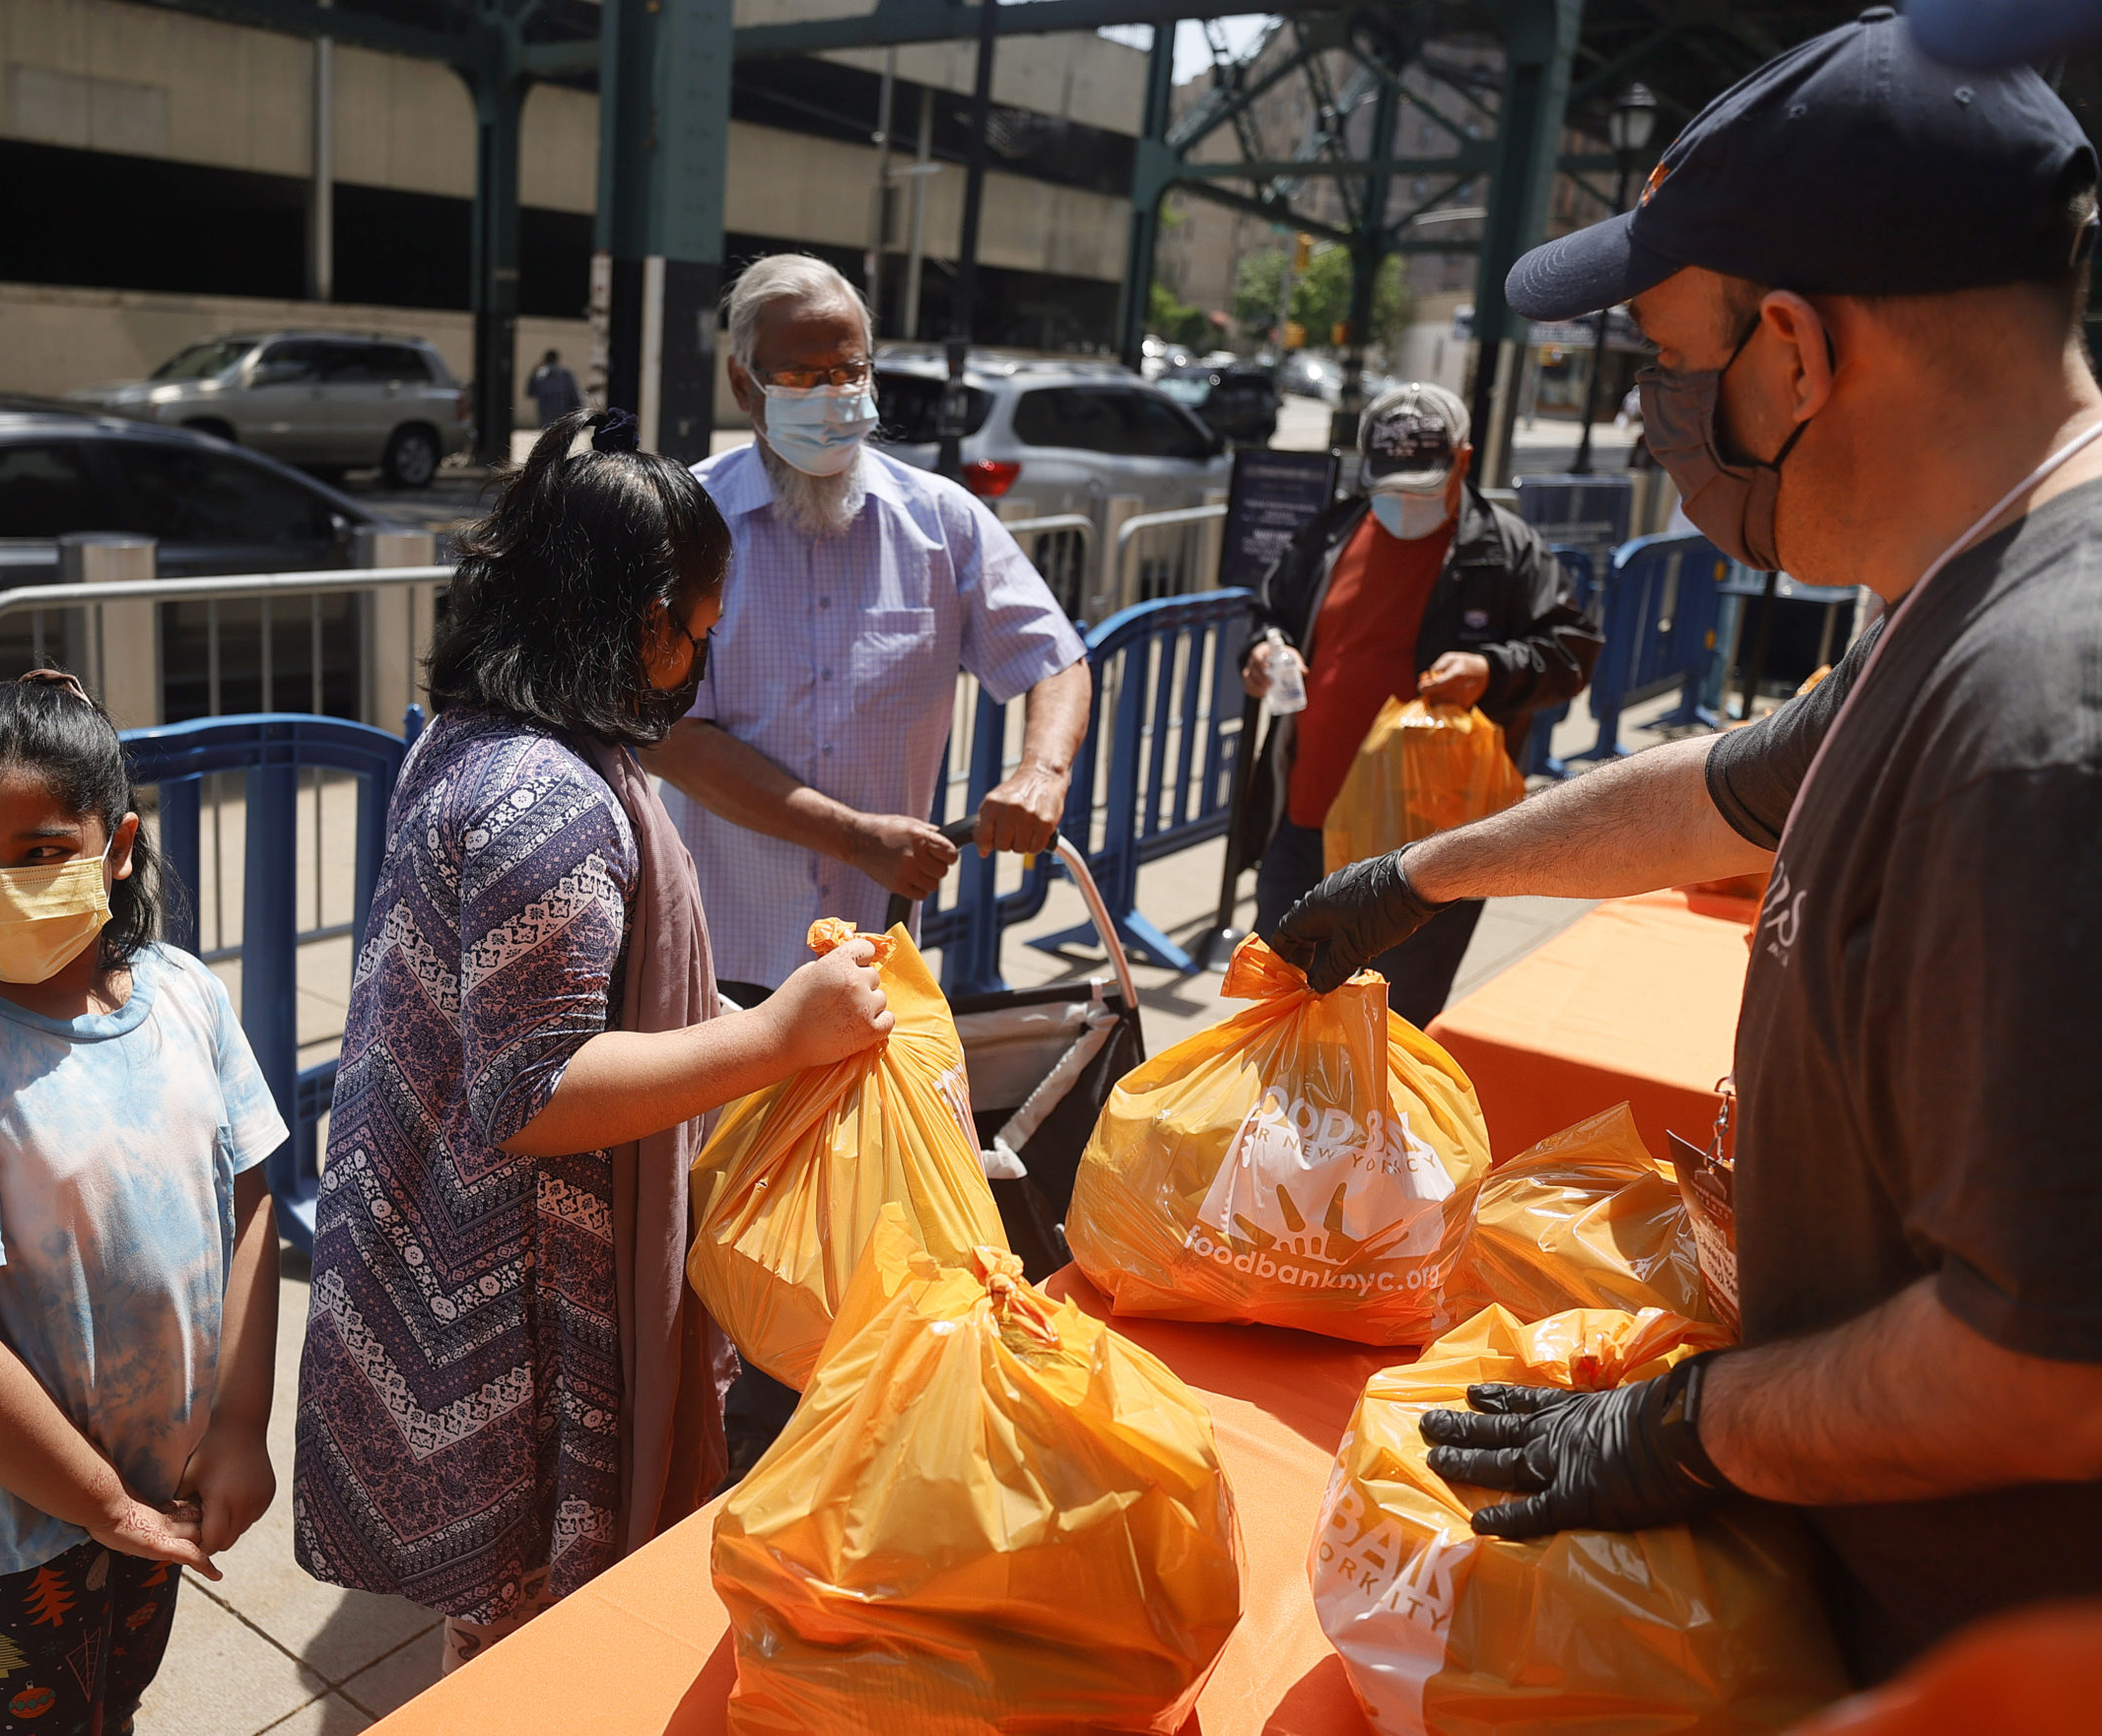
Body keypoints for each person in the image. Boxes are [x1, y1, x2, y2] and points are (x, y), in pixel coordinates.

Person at [1272, 12, 2102, 1683]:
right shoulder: (1958, 609)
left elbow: (2050, 1365)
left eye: (1666, 353)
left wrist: (1689, 1424)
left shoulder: (2038, 735)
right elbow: (1724, 787)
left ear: (1793, 353)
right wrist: (1426, 873)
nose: (1656, 411)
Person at [292, 406, 894, 1669]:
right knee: (530, 1645)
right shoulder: (546, 802)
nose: (693, 669)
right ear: (630, 621)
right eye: (691, 636)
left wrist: (742, 1026)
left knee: (501, 1628)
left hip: (449, 1254)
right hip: (515, 1301)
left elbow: (576, 1007)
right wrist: (780, 1036)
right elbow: (539, 1088)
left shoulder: (480, 739)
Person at [0, 671, 284, 1736]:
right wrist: (105, 1504)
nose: (5, 883)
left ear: (115, 846)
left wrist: (240, 1423)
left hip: (154, 1489)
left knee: (112, 1705)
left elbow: (251, 1199)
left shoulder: (184, 994)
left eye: (41, 851)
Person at [644, 253, 1093, 1003]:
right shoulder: (688, 521)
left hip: (878, 951)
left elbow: (1055, 658)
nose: (830, 397)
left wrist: (1041, 772)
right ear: (741, 383)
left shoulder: (940, 521)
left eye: (849, 372)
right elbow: (672, 737)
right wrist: (853, 838)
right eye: (798, 377)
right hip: (721, 948)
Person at [1235, 381, 1597, 1026]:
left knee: (1387, 1031)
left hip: (1423, 850)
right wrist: (1265, 650)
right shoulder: (1330, 534)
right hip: (1305, 824)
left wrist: (1491, 669)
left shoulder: (1504, 549)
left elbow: (1571, 651)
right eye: (1390, 480)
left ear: (1462, 461)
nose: (1405, 500)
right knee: (1278, 1013)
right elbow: (1270, 613)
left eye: (1424, 481)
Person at [528, 348, 583, 428]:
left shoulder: (540, 375)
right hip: (563, 414)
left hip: (546, 416)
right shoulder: (565, 374)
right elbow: (575, 394)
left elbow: (531, 392)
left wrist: (534, 372)